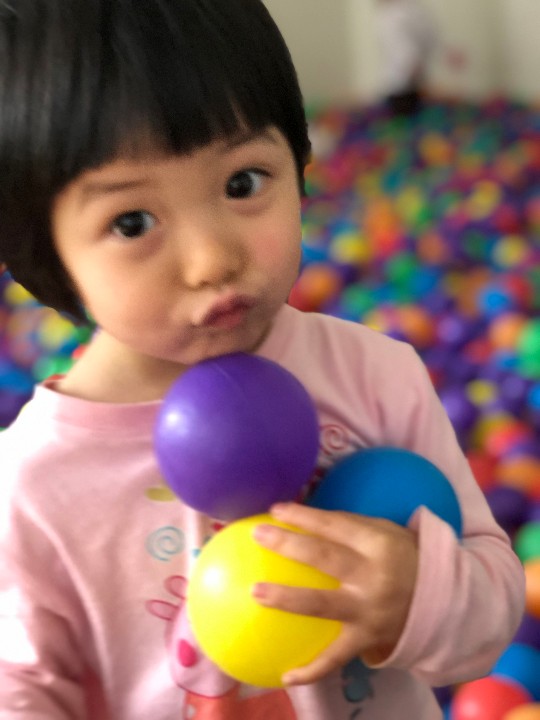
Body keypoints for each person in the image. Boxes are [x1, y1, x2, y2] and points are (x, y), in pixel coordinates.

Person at [0, 1, 524, 718]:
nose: (213, 258)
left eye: (243, 182)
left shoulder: (376, 377)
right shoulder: (35, 483)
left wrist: (417, 594)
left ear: (300, 167)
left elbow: (491, 612)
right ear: (43, 258)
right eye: (132, 222)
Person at [374, 0, 437, 116]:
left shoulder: (394, 15)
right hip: (405, 83)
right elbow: (429, 38)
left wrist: (414, 70)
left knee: (406, 119)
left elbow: (405, 52)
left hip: (402, 86)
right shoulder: (412, 10)